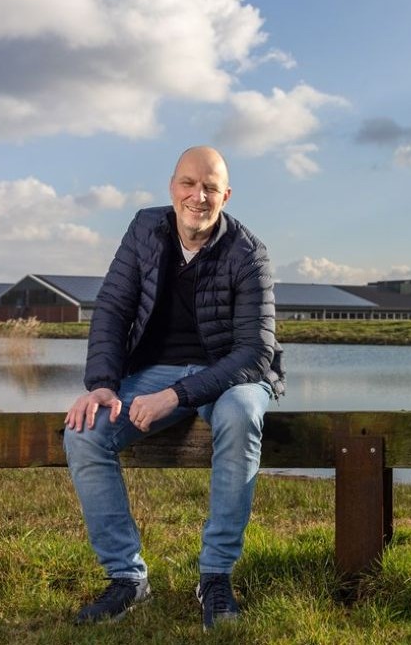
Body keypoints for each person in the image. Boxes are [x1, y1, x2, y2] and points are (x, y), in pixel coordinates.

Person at [63, 146, 283, 629]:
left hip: (231, 376)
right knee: (84, 432)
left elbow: (254, 353)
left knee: (242, 414)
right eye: (188, 184)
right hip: (153, 371)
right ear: (172, 187)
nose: (198, 196)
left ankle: (216, 577)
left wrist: (177, 395)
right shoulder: (145, 229)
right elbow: (112, 310)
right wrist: (102, 385)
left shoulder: (249, 253)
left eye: (210, 188)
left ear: (226, 196)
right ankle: (127, 579)